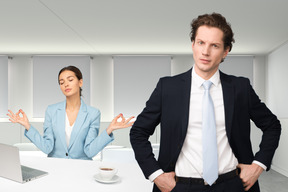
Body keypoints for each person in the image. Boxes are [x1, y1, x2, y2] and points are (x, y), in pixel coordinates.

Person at [130, 13, 281, 192]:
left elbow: (272, 125)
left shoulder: (240, 88)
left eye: (214, 45)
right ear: (193, 44)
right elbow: (138, 132)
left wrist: (258, 165)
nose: (205, 52)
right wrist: (156, 175)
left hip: (233, 185)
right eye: (201, 43)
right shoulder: (167, 88)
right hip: (180, 187)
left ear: (226, 51)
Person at [8, 65, 134, 160]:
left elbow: (90, 151)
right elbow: (47, 147)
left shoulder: (93, 113)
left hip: (81, 169)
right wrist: (27, 126)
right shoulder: (51, 111)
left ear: (80, 82)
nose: (65, 84)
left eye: (70, 80)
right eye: (61, 82)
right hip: (55, 168)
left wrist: (109, 130)